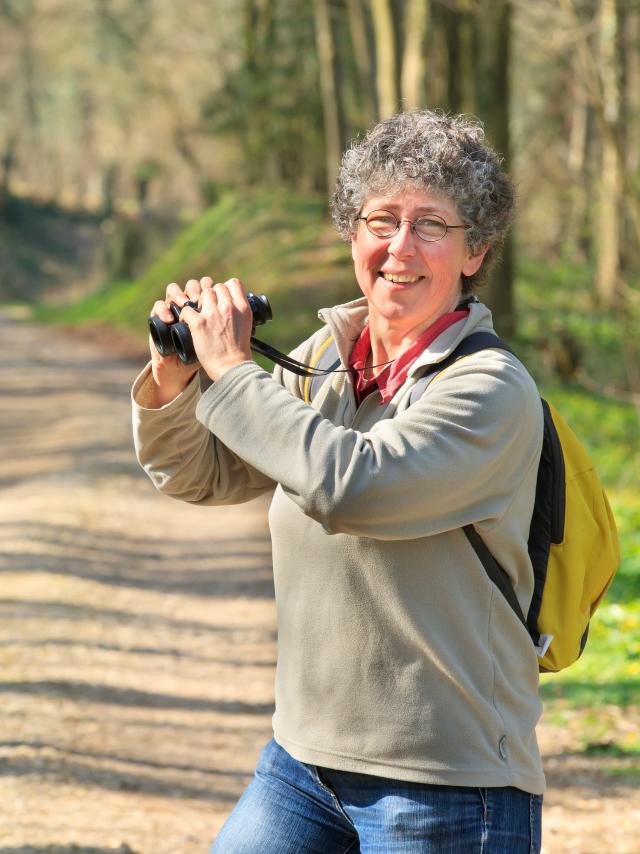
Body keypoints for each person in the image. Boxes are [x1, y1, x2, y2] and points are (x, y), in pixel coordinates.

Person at [132, 110, 544, 853]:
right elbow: (203, 475)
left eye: (431, 226)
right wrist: (176, 379)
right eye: (381, 219)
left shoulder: (491, 388)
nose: (399, 247)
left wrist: (230, 370)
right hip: (300, 762)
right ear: (353, 235)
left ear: (476, 251)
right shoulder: (328, 356)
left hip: (444, 782)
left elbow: (354, 487)